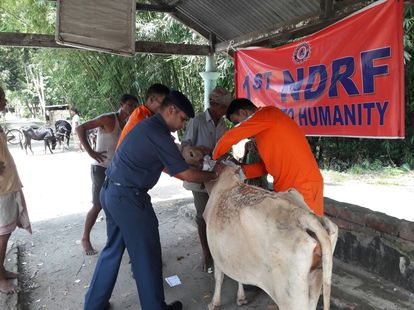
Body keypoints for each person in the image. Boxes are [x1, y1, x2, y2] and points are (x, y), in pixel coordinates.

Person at [84, 91, 223, 310]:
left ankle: (94, 304)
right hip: (129, 199)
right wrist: (216, 174)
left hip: (111, 190)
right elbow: (186, 174)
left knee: (112, 249)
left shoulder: (149, 126)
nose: (183, 124)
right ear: (171, 111)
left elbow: (177, 159)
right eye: (182, 119)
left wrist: (192, 158)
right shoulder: (157, 133)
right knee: (147, 256)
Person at [212, 98, 324, 216]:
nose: (238, 126)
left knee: (310, 232)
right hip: (289, 187)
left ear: (243, 113)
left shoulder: (267, 114)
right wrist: (243, 171)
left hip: (303, 186)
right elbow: (269, 165)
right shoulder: (265, 129)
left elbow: (232, 136)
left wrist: (213, 158)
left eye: (237, 122)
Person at [76, 94, 138, 255]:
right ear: (121, 104)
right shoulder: (109, 119)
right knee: (98, 205)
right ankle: (85, 239)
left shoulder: (130, 122)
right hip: (101, 168)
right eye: (130, 105)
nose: (132, 108)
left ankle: (120, 240)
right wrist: (91, 152)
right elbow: (79, 128)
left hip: (118, 170)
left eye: (134, 106)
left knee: (119, 204)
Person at [181, 86, 231, 271]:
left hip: (217, 176)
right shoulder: (197, 121)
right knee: (203, 216)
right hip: (200, 176)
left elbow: (225, 150)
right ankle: (206, 252)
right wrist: (198, 152)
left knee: (219, 216)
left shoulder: (223, 124)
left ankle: (220, 252)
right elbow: (185, 146)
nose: (225, 111)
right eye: (224, 107)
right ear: (215, 105)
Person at [0, 86, 31, 294]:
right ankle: (0, 279)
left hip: (8, 185)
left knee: (6, 233)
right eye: (0, 98)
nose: (4, 101)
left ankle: (0, 269)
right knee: (1, 235)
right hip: (1, 190)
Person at [117, 83, 170, 147]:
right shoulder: (141, 117)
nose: (165, 108)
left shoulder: (146, 113)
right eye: (163, 104)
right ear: (151, 99)